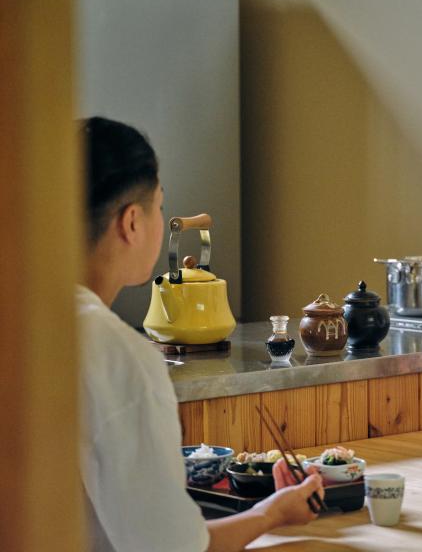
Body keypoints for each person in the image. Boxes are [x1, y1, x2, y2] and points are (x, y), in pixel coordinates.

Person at [77, 116, 324, 551]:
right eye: (160, 205)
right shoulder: (117, 354)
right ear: (131, 222)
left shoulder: (27, 323)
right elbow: (175, 548)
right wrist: (273, 512)